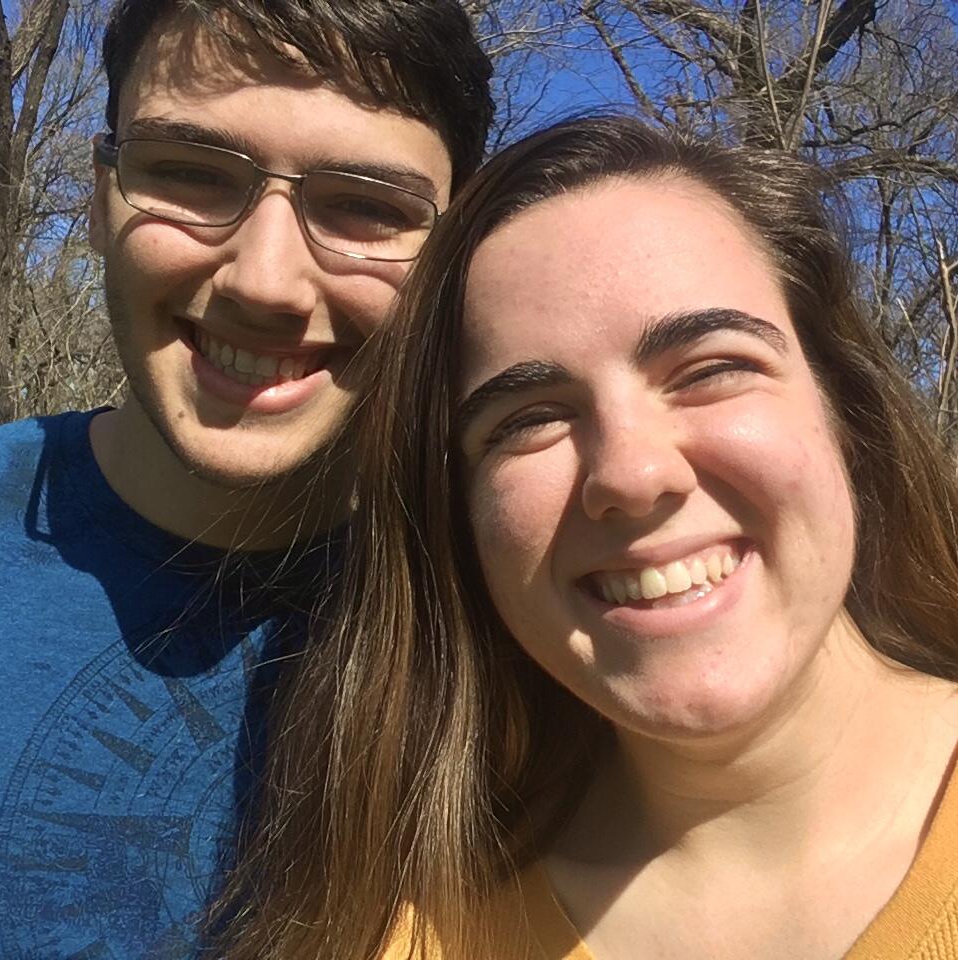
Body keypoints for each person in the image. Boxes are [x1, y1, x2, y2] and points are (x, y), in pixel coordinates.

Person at [213, 115, 958, 960]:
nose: (633, 475)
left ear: (844, 411)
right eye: (530, 418)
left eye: (713, 369)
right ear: (463, 523)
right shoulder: (410, 934)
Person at [0, 1, 492, 956]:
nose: (265, 281)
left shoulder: (530, 608)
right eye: (188, 173)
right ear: (103, 200)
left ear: (450, 255)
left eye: (366, 206)